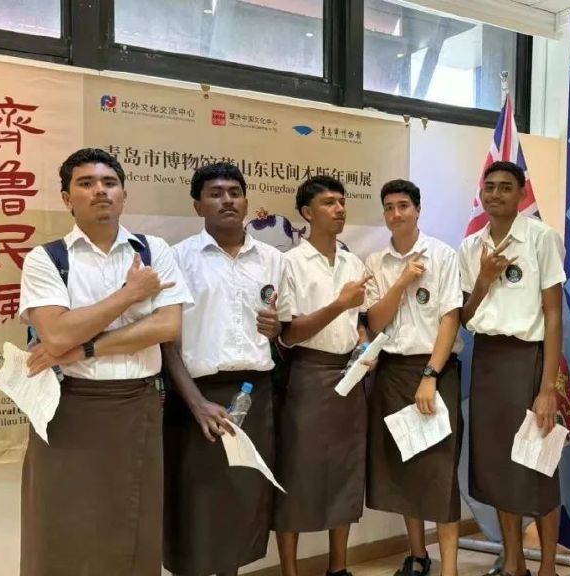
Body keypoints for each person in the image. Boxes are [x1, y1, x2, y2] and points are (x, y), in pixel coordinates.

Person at [18, 147, 191, 575]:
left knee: (133, 529)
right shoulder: (47, 258)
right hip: (68, 409)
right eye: (86, 183)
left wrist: (87, 347)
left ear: (124, 195)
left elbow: (167, 326)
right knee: (60, 527)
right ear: (67, 198)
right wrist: (130, 296)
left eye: (109, 183)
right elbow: (57, 334)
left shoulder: (153, 251)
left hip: (138, 407)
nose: (100, 191)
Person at [162, 162, 284, 576]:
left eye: (235, 192)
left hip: (254, 394)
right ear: (198, 206)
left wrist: (279, 328)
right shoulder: (177, 258)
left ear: (246, 202)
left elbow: (284, 327)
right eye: (215, 193)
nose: (227, 200)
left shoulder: (272, 259)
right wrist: (196, 403)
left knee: (242, 499)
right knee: (197, 504)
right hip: (196, 396)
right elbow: (167, 341)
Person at [457, 160, 565, 576]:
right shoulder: (470, 247)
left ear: (522, 194)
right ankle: (515, 564)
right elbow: (465, 317)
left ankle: (548, 567)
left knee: (538, 468)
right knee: (499, 469)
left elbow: (553, 315)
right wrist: (484, 279)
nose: (496, 194)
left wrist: (547, 388)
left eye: (506, 187)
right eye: (490, 187)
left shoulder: (541, 238)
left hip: (528, 362)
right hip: (487, 362)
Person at [273, 175, 373, 576]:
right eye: (329, 203)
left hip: (349, 375)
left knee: (345, 472)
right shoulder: (289, 262)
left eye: (342, 201)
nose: (340, 209)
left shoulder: (353, 262)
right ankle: (290, 571)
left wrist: (364, 345)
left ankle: (338, 567)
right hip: (307, 376)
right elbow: (289, 333)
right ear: (306, 213)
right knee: (296, 472)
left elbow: (360, 321)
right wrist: (339, 304)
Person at [364, 179, 464, 576]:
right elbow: (375, 322)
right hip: (392, 372)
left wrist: (430, 374)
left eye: (403, 205)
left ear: (417, 210)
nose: (396, 214)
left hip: (435, 371)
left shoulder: (442, 254)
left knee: (439, 471)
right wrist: (403, 281)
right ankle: (418, 556)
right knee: (405, 467)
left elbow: (451, 318)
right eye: (389, 207)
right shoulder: (376, 262)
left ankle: (450, 568)